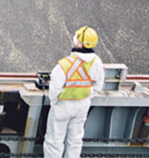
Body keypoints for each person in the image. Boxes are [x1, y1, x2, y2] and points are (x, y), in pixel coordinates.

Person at [44, 26, 105, 158]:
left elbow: (54, 91)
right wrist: (86, 97)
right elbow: (98, 85)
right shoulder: (97, 63)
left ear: (79, 43)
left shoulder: (64, 65)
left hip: (63, 105)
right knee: (75, 140)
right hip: (82, 106)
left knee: (54, 141)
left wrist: (57, 102)